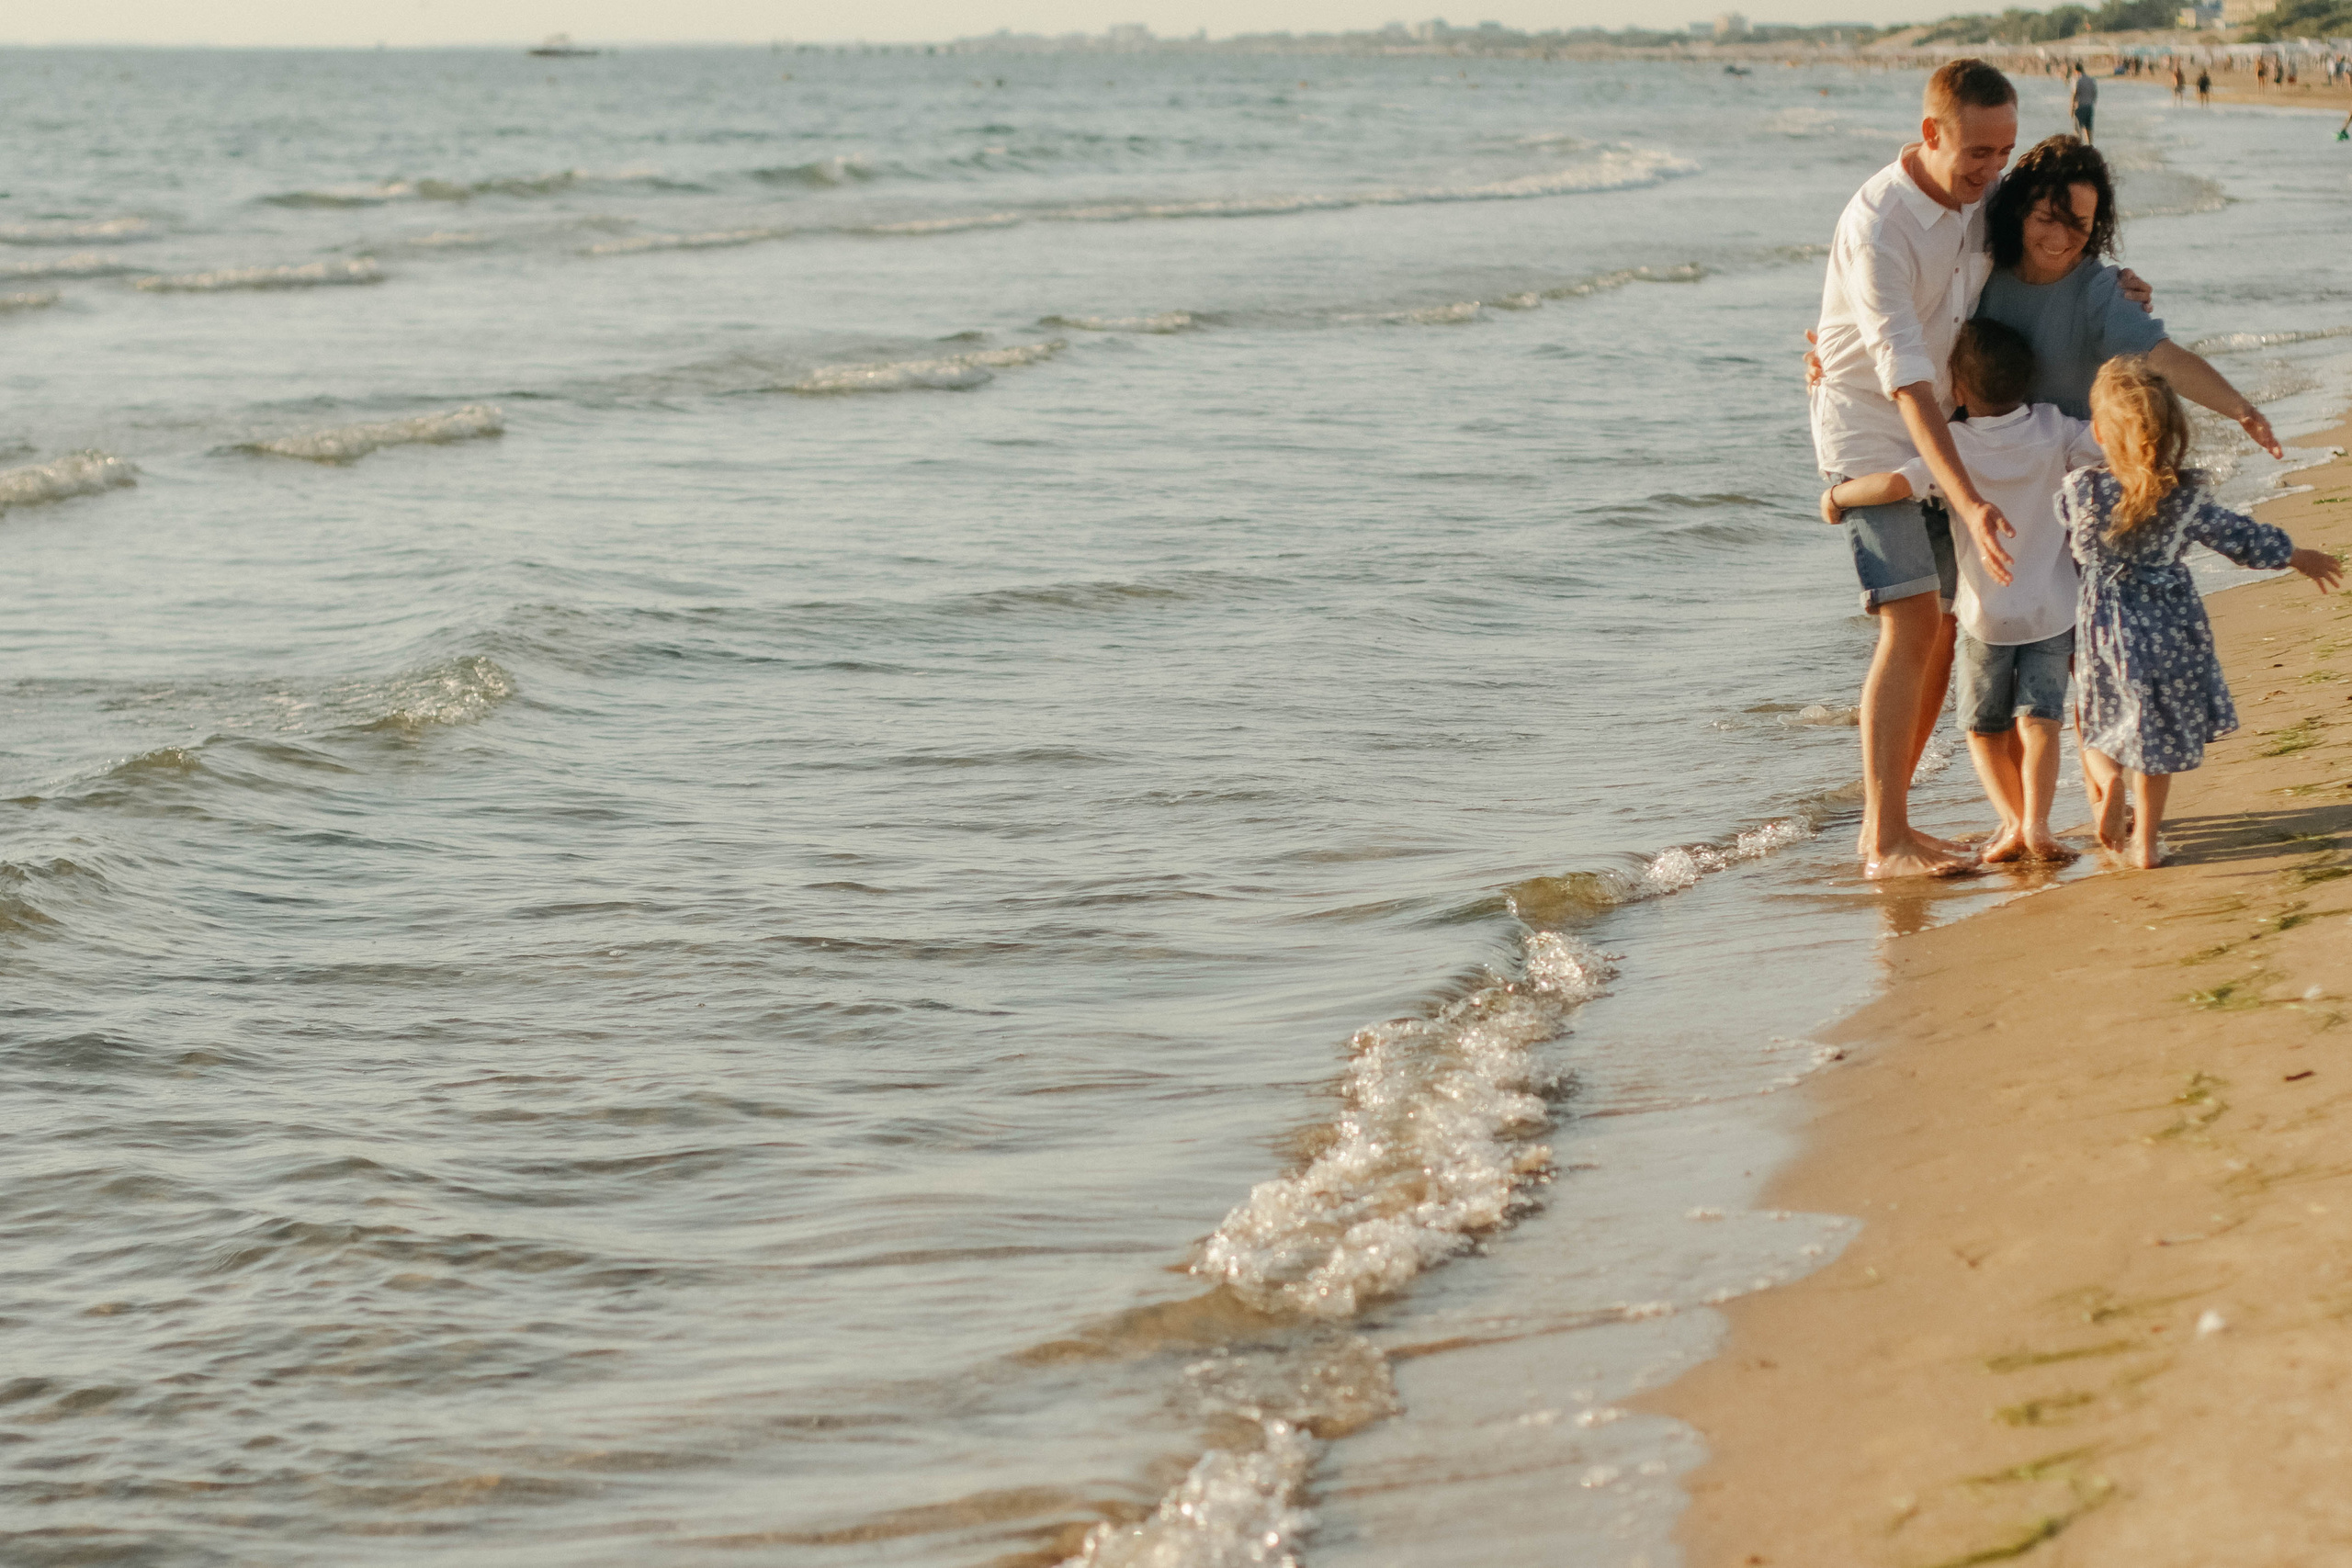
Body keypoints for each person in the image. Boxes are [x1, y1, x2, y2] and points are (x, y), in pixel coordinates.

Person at [1811, 58, 2022, 879]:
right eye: (1977, 152)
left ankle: (1885, 825)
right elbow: (1901, 380)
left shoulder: (1979, 198)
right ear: (1931, 133)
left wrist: (2124, 286)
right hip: (1870, 430)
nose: (1992, 169)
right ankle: (1886, 839)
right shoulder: (1880, 225)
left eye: (2004, 151)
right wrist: (1968, 500)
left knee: (1938, 627)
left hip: (1944, 425)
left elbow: (2051, 240)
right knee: (1907, 620)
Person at [1822, 321, 2101, 862]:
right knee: (2040, 723)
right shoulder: (2054, 427)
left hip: (1985, 617)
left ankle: (2012, 823)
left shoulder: (1954, 446)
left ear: (1959, 390)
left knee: (1983, 730)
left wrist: (1836, 498)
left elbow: (1898, 485)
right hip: (2054, 612)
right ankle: (2041, 826)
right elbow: (2108, 440)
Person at [2062, 357, 2343, 867]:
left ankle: (2107, 786)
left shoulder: (2081, 490)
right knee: (2156, 737)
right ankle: (2145, 843)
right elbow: (2239, 538)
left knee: (2099, 722)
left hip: (2106, 633)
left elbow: (2069, 539)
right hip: (2172, 632)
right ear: (2172, 433)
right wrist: (2296, 555)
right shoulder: (2183, 497)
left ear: (2100, 432)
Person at [1975, 137, 2280, 457]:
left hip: (2070, 481)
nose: (2059, 239)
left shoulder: (2102, 291)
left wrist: (2241, 409)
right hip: (1982, 466)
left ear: (2096, 225)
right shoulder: (1981, 270)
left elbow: (2163, 358)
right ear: (2018, 211)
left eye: (2078, 224)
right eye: (2046, 219)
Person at [2070, 62, 2098, 142]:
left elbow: (2075, 93)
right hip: (2089, 106)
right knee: (2088, 129)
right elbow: (2094, 93)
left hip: (2080, 106)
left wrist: (2071, 108)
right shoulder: (2090, 80)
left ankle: (2079, 150)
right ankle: (2090, 147)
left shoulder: (2077, 80)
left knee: (2078, 130)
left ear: (2076, 71)